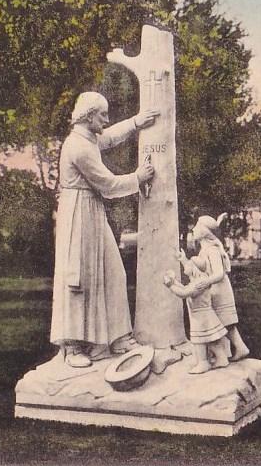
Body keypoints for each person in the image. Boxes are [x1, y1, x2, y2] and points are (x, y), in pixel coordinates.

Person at [50, 91, 159, 367]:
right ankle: (73, 347)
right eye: (102, 114)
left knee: (113, 271)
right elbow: (108, 186)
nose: (106, 119)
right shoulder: (78, 147)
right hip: (78, 215)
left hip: (91, 211)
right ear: (88, 116)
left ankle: (118, 337)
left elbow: (109, 137)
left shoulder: (88, 137)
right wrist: (137, 177)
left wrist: (135, 122)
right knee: (79, 278)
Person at [191, 214, 249, 362]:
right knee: (221, 324)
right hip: (214, 290)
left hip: (219, 289)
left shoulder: (212, 250)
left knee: (224, 322)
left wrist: (205, 282)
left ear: (204, 231)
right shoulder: (206, 249)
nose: (194, 229)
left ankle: (234, 350)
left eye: (197, 226)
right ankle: (229, 351)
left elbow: (219, 274)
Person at [163, 250, 229, 374]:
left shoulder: (200, 283)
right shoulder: (198, 280)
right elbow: (185, 288)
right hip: (206, 316)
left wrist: (170, 285)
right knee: (213, 340)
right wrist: (176, 278)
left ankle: (203, 362)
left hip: (201, 317)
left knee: (199, 340)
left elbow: (184, 293)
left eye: (188, 264)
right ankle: (222, 358)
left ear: (195, 268)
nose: (185, 266)